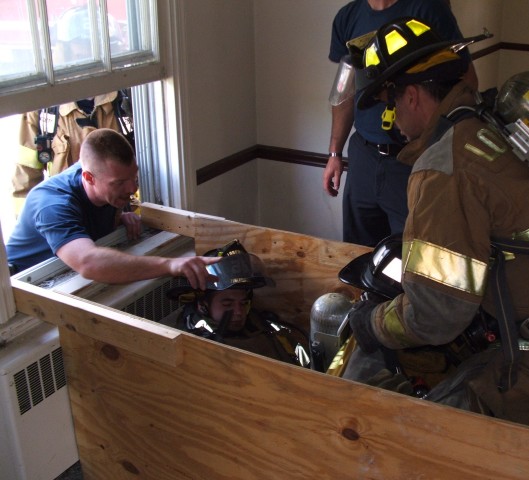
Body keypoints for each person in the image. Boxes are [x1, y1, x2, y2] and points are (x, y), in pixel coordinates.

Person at [343, 17, 529, 429]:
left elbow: (438, 313)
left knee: (421, 436)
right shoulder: (488, 121)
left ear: (415, 96)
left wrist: (373, 325)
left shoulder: (443, 169)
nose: (392, 121)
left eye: (390, 104)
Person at [324, 0, 478, 247]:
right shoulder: (348, 17)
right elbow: (345, 92)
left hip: (411, 161)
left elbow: (466, 82)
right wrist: (334, 152)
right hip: (363, 158)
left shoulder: (428, 9)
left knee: (412, 254)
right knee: (357, 253)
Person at [7, 128, 216, 290]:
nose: (132, 189)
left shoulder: (107, 186)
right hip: (25, 286)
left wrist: (121, 217)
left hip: (67, 274)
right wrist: (171, 265)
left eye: (134, 178)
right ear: (88, 177)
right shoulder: (52, 204)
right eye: (120, 183)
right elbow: (88, 263)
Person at [12, 4, 133, 214]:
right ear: (65, 51)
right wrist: (36, 230)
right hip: (67, 219)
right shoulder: (42, 111)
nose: (90, 56)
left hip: (121, 219)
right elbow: (25, 184)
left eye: (98, 47)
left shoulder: (129, 103)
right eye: (82, 47)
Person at [170, 240, 309, 365]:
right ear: (202, 305)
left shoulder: (270, 330)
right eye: (227, 304)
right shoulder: (188, 346)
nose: (238, 312)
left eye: (243, 303)